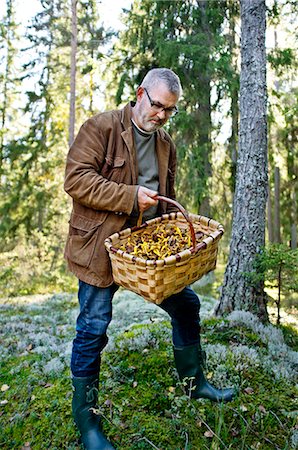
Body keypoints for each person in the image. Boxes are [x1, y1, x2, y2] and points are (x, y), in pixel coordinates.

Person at [64, 68, 235, 450]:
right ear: (140, 94)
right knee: (93, 328)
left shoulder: (165, 143)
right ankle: (87, 423)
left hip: (148, 255)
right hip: (100, 249)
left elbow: (165, 195)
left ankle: (196, 383)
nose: (161, 115)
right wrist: (129, 196)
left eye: (169, 111)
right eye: (157, 106)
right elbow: (76, 180)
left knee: (187, 305)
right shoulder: (102, 127)